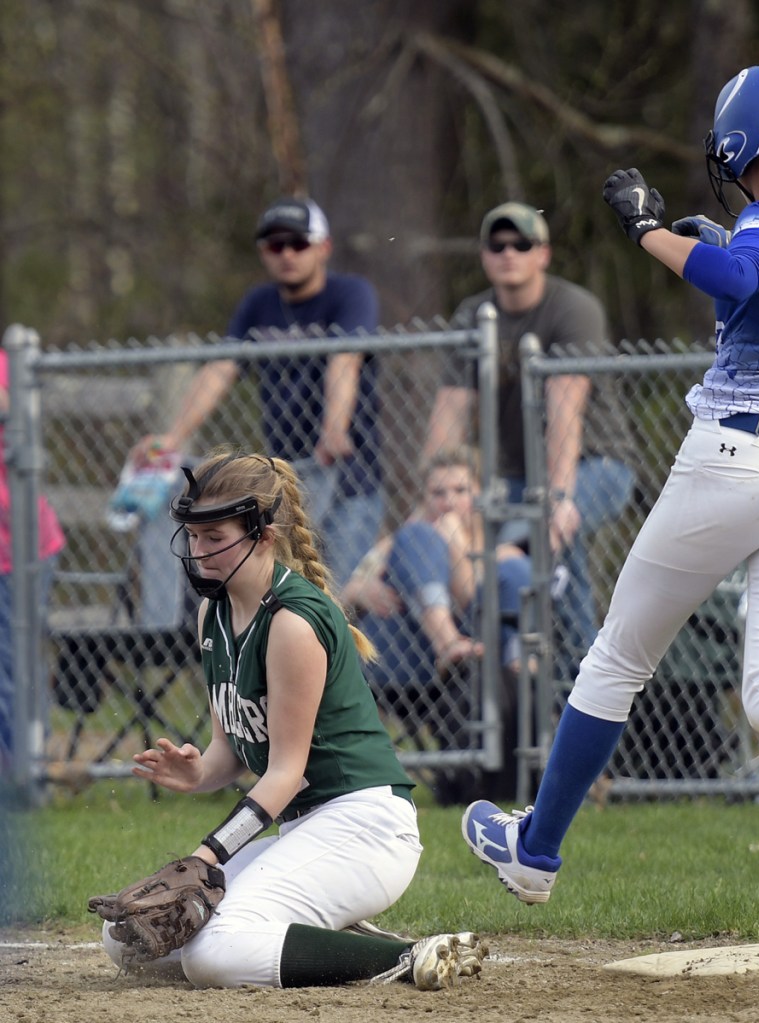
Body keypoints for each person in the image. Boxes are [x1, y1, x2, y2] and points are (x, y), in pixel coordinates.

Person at [461, 64, 759, 902]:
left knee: (617, 656)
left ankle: (533, 851)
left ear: (740, 144)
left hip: (739, 457)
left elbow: (740, 275)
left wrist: (648, 231)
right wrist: (717, 242)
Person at [96, 450, 485, 989]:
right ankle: (345, 938)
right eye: (193, 534)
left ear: (263, 535)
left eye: (215, 537)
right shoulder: (216, 610)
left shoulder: (292, 622)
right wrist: (198, 773)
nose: (198, 551)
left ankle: (406, 957)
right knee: (129, 941)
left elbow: (285, 773)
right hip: (309, 829)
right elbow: (230, 749)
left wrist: (206, 857)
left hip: (365, 830)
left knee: (213, 956)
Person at [422, 202, 637, 677]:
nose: (508, 254)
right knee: (457, 540)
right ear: (484, 255)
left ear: (543, 254)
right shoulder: (473, 314)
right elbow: (450, 412)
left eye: (521, 244)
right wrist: (437, 497)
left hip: (596, 464)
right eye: (497, 245)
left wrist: (558, 498)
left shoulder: (573, 308)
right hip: (511, 478)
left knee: (557, 531)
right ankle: (506, 676)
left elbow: (565, 411)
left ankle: (580, 680)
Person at [134, 196, 382, 586]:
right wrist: (173, 439)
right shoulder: (258, 304)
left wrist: (334, 428)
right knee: (288, 593)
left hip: (347, 476)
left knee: (340, 597)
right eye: (274, 245)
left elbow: (344, 360)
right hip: (285, 483)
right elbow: (220, 370)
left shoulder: (350, 295)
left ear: (324, 247)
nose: (286, 254)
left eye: (298, 243)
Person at [343, 446, 534, 803]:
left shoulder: (500, 551)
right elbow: (344, 595)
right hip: (408, 669)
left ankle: (457, 649)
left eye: (461, 491)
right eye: (438, 493)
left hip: (482, 668)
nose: (449, 502)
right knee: (416, 538)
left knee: (512, 572)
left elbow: (476, 599)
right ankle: (447, 642)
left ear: (477, 494)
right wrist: (361, 590)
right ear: (424, 498)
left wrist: (457, 546)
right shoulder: (407, 540)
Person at [0, 349, 66, 767]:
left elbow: (9, 406)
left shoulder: (7, 363)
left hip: (17, 550)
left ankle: (24, 770)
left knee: (13, 664)